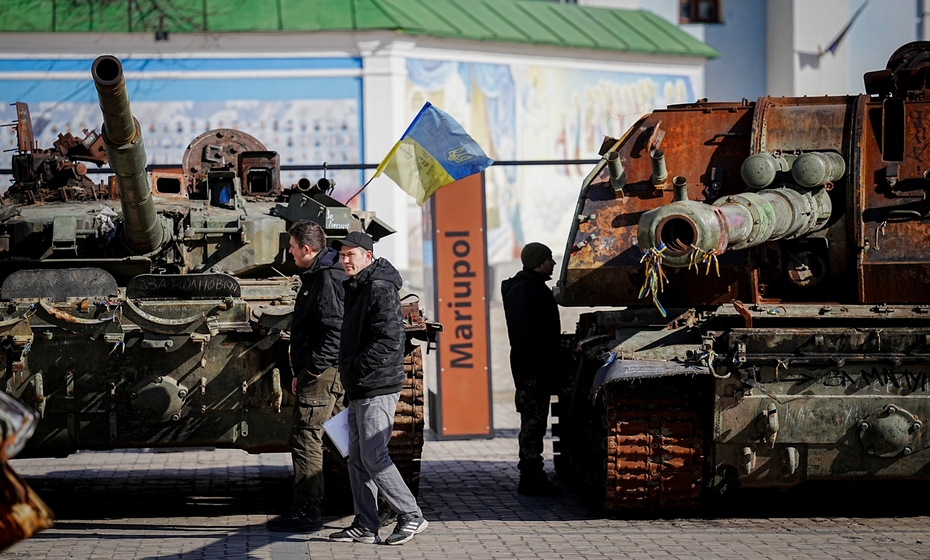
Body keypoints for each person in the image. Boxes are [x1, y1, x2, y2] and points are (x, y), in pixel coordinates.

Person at [328, 231, 428, 546]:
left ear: (368, 256)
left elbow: (389, 340)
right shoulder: (359, 287)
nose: (345, 260)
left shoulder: (379, 289)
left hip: (376, 386)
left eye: (351, 255)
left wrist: (358, 367)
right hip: (361, 386)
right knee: (356, 457)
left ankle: (411, 515)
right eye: (342, 255)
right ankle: (365, 524)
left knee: (373, 454)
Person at [266, 220, 346, 532]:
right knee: (341, 438)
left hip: (322, 372)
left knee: (304, 435)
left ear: (307, 249)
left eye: (292, 247)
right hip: (321, 371)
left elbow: (333, 330)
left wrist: (312, 369)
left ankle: (307, 510)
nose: (290, 252)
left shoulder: (325, 278)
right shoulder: (319, 274)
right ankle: (386, 500)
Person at [501, 242, 564, 497]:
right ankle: (530, 476)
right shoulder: (525, 290)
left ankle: (534, 473)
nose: (553, 263)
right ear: (538, 263)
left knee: (535, 424)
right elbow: (521, 336)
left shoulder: (531, 287)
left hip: (538, 370)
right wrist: (528, 373)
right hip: (532, 373)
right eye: (549, 259)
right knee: (532, 425)